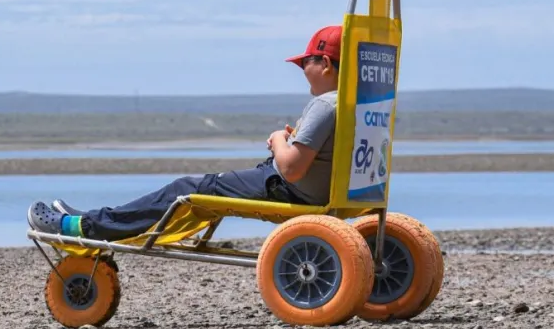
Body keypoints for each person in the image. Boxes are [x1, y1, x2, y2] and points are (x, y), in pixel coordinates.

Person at [26, 25, 343, 242]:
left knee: (186, 190)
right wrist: (295, 142)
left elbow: (291, 169)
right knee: (194, 190)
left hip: (287, 189)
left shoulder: (325, 104)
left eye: (306, 63)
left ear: (326, 63)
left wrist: (278, 140)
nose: (302, 70)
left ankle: (84, 227)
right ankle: (100, 219)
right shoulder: (356, 104)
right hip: (314, 191)